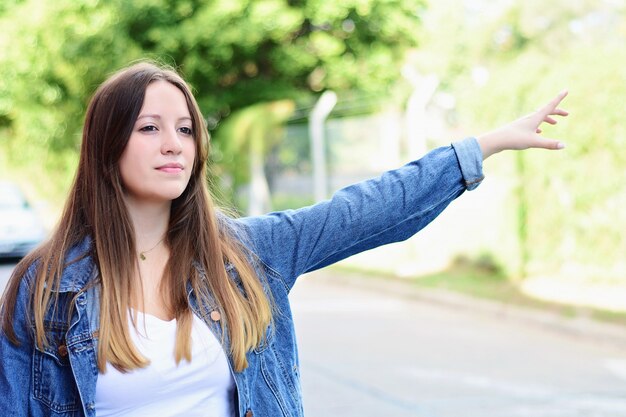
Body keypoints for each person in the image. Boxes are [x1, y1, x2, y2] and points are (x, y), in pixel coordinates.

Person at [0, 61, 568, 417]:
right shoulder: (47, 287)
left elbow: (365, 210)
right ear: (107, 147)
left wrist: (482, 147)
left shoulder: (249, 255)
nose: (174, 143)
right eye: (149, 127)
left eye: (185, 128)